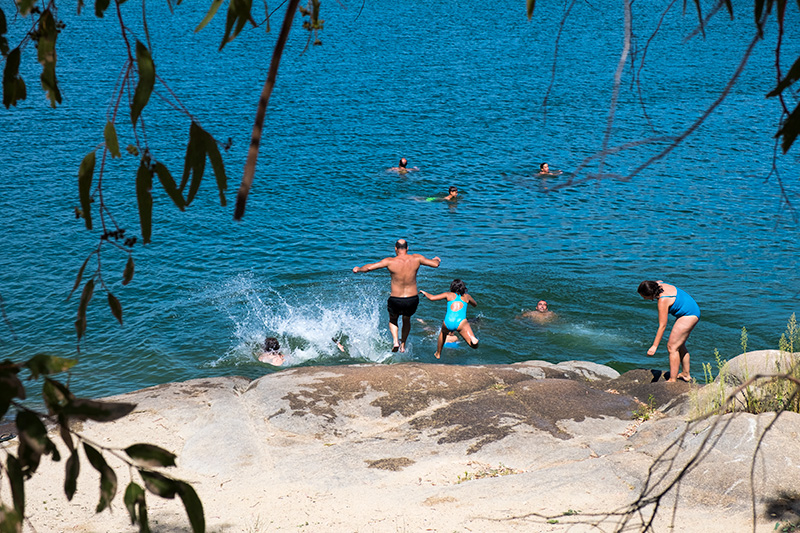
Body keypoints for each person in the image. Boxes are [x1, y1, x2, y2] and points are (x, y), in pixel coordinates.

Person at [353, 239, 440, 352]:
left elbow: (369, 267)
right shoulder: (417, 258)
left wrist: (358, 269)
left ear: (395, 248)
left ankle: (395, 341)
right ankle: (403, 344)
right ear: (407, 248)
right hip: (412, 299)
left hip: (396, 299)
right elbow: (435, 264)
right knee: (406, 319)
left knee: (393, 319)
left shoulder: (390, 261)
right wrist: (436, 259)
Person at [638, 280, 700, 383]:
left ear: (651, 294)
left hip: (689, 315)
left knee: (672, 347)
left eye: (644, 297)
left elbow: (662, 326)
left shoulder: (663, 300)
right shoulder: (659, 284)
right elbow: (656, 281)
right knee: (679, 344)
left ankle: (672, 379)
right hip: (693, 309)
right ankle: (686, 374)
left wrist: (654, 346)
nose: (644, 299)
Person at [420, 279, 479, 359]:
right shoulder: (467, 296)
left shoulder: (448, 294)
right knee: (473, 345)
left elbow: (432, 298)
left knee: (443, 333)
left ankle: (438, 353)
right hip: (461, 322)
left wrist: (425, 293)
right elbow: (475, 304)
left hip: (448, 321)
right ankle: (473, 340)